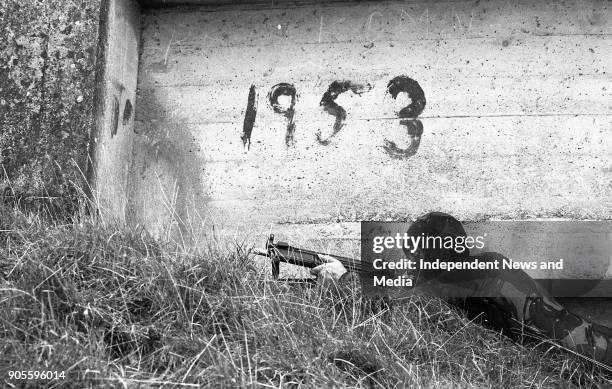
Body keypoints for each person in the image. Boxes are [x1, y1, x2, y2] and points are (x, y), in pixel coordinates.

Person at [311, 212, 612, 368]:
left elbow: (404, 304)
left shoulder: (464, 285)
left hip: (597, 359)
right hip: (598, 339)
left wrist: (344, 280)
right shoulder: (490, 265)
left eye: (416, 257)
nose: (412, 263)